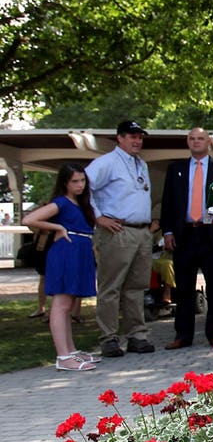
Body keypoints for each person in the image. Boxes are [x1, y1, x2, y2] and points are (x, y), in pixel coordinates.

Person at [86, 120, 156, 357]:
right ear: (120, 138)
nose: (137, 141)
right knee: (111, 286)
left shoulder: (141, 164)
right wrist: (98, 217)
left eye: (139, 137)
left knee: (137, 287)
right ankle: (109, 337)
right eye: (131, 136)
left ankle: (137, 335)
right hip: (117, 230)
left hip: (141, 231)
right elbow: (84, 189)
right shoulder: (106, 163)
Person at [21, 164, 100, 371]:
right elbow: (29, 219)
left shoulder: (80, 203)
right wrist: (58, 227)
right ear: (65, 183)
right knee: (61, 304)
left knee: (69, 304)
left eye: (82, 180)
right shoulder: (61, 203)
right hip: (67, 252)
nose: (80, 185)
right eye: (75, 181)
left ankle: (71, 351)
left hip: (80, 251)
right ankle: (63, 356)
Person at [160, 127, 213, 349]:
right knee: (183, 287)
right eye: (192, 139)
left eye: (200, 138)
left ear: (209, 142)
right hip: (185, 234)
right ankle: (183, 334)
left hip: (212, 234)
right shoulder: (176, 169)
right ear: (187, 142)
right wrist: (168, 232)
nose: (196, 142)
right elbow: (168, 203)